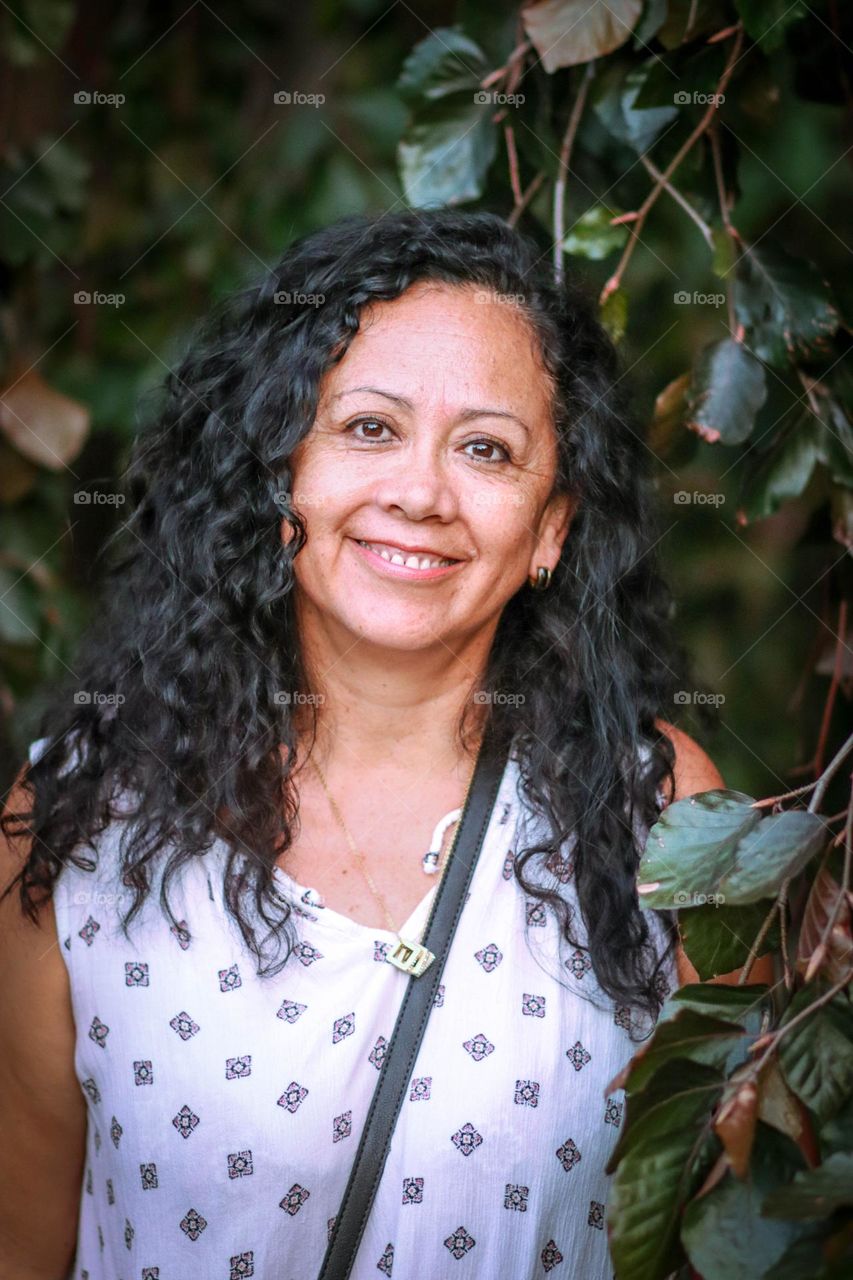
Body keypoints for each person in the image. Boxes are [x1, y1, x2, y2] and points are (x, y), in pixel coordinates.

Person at [0, 208, 772, 1280]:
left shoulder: (660, 808)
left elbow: (729, 1230)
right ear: (282, 472)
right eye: (369, 427)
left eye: (487, 449)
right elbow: (20, 1241)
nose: (418, 491)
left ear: (550, 529)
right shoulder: (82, 815)